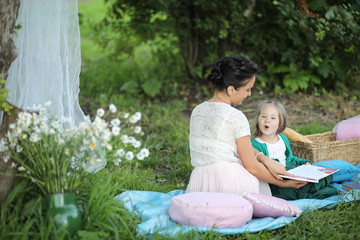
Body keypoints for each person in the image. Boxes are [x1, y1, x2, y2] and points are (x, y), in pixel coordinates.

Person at [186, 55, 307, 196]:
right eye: (247, 89)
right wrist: (284, 183)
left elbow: (234, 147)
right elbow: (252, 167)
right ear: (231, 90)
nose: (249, 94)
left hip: (199, 184)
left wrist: (264, 158)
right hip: (229, 184)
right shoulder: (235, 116)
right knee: (264, 182)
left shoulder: (197, 110)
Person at [251, 100, 339, 200]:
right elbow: (261, 169)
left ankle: (309, 191)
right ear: (258, 120)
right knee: (286, 192)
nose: (267, 120)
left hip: (293, 172)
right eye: (263, 116)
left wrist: (305, 163)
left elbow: (291, 158)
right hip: (276, 182)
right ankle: (312, 193)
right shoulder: (255, 144)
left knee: (325, 175)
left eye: (273, 118)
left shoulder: (282, 138)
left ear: (280, 123)